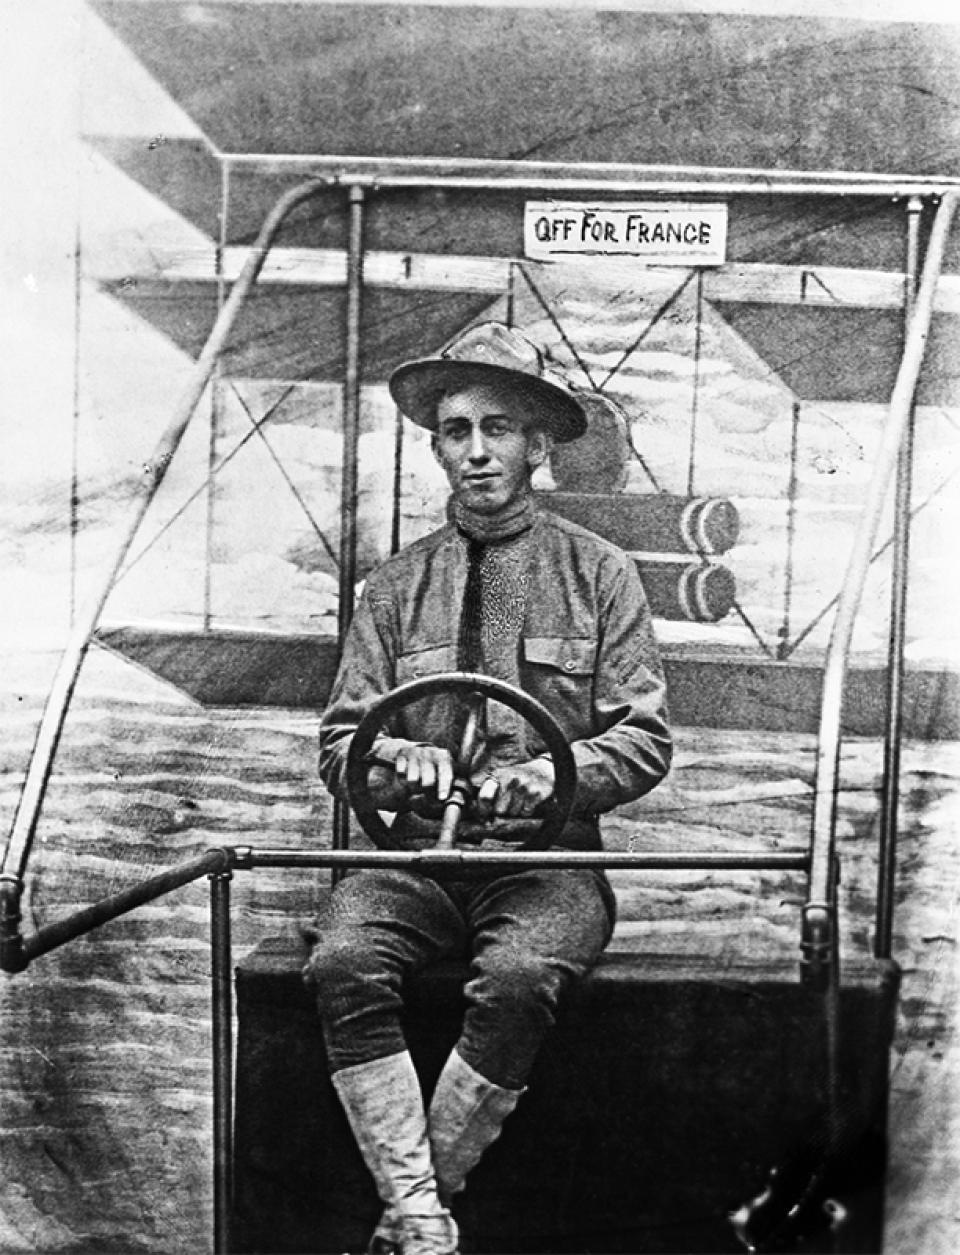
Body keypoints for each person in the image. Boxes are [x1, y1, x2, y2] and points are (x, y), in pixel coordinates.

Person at [304, 321, 672, 1255]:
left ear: (540, 445)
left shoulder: (602, 574)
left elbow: (644, 738)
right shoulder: (392, 589)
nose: (476, 451)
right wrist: (391, 760)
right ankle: (425, 1221)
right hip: (412, 858)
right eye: (456, 431)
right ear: (436, 447)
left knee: (517, 977)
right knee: (341, 961)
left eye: (498, 428)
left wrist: (557, 772)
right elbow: (341, 739)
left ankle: (414, 1209)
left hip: (547, 862)